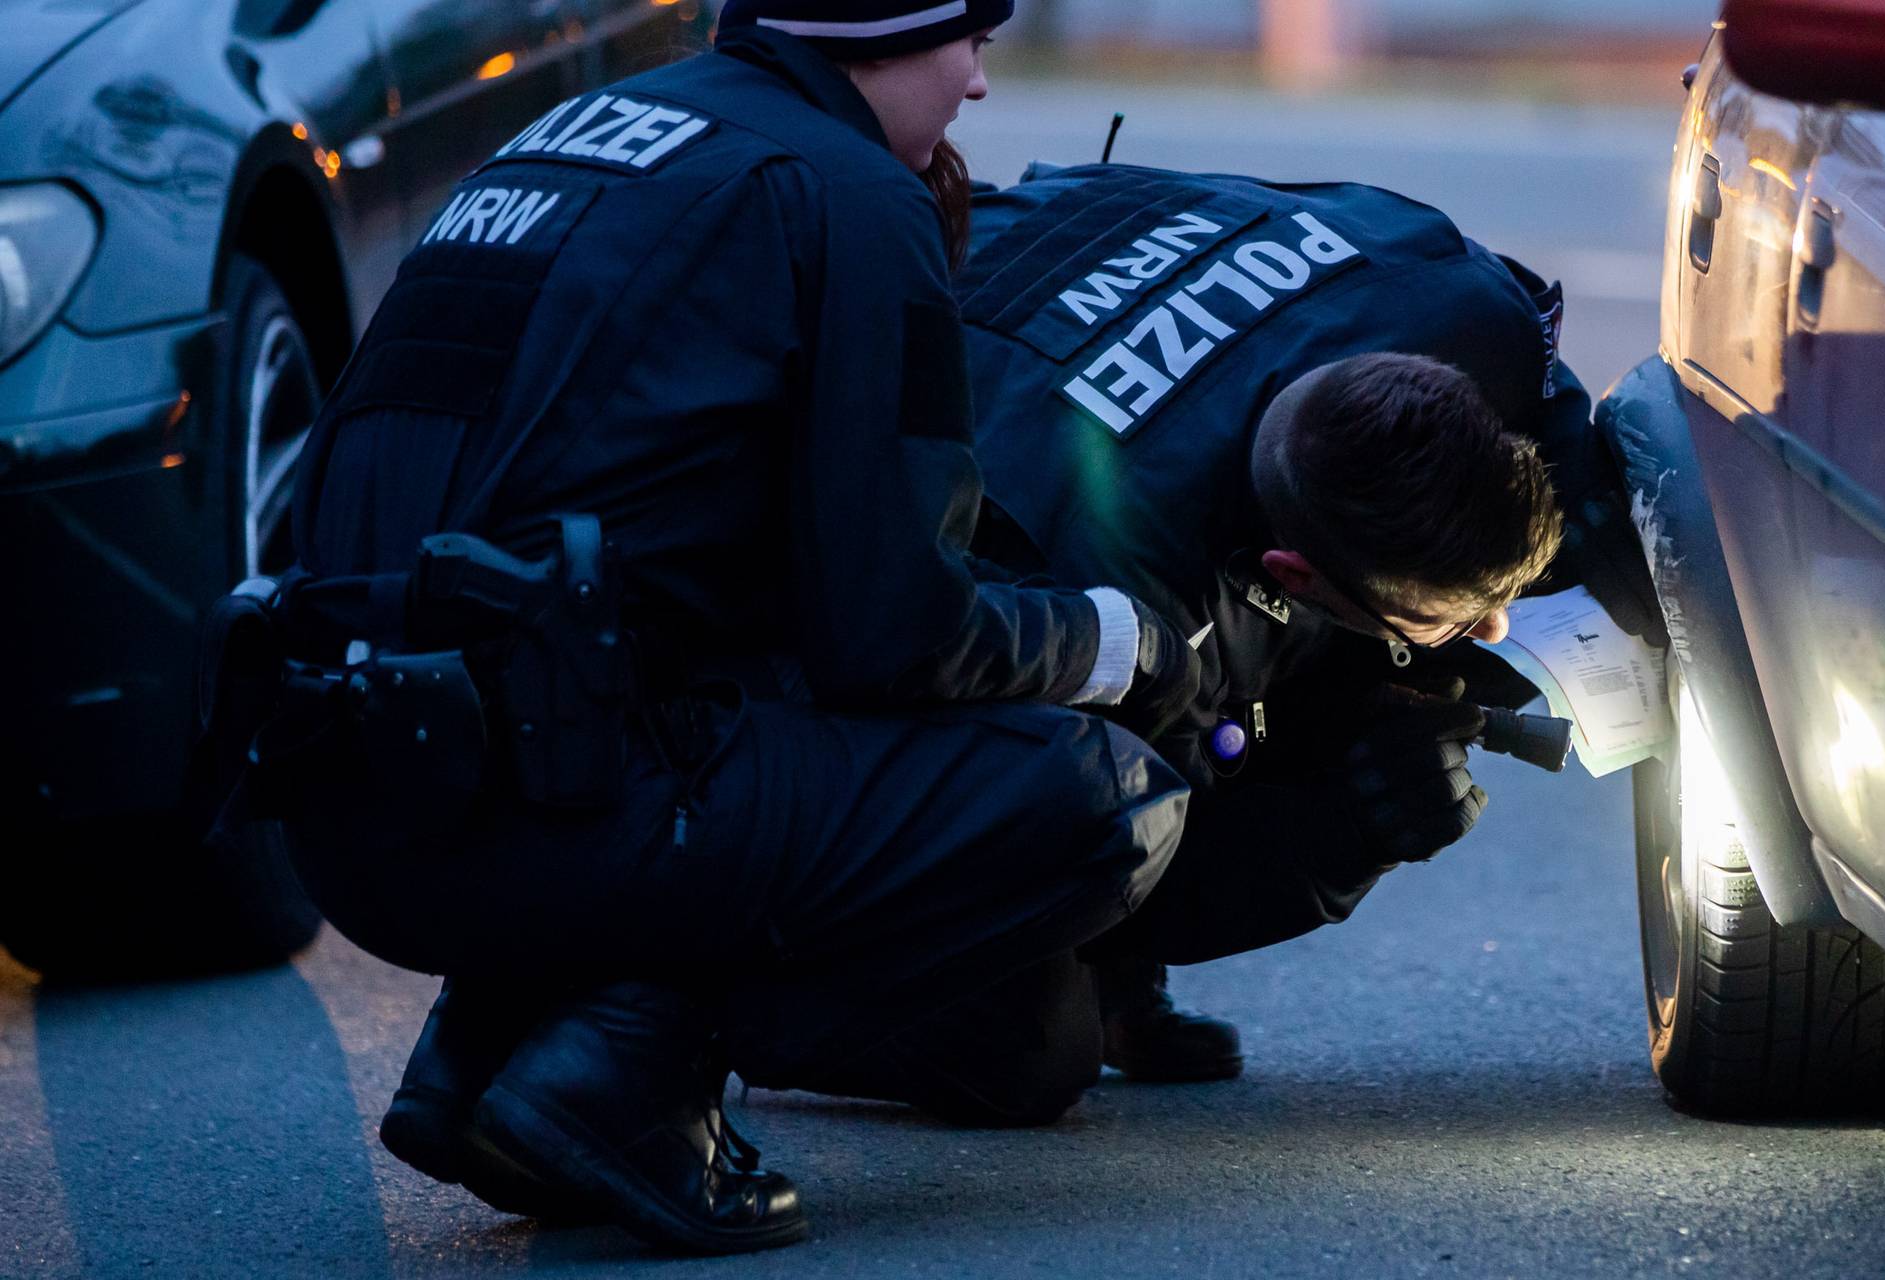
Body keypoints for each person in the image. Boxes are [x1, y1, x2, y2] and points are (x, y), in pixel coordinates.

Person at [236, 0, 1205, 1254]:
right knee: (1103, 798)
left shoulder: (578, 133)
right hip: (539, 814)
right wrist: (1117, 640)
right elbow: (895, 631)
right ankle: (622, 1066)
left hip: (354, 813)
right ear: (882, 31)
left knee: (695, 676)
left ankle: (491, 1045)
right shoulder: (848, 189)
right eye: (967, 35)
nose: (974, 82)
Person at [720, 163, 1654, 1124]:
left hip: (1090, 290)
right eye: (1458, 611)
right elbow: (1137, 862)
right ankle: (706, 1009)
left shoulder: (1465, 304)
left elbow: (1553, 448)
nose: (1495, 626)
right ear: (1288, 573)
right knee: (1029, 1052)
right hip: (893, 542)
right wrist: (1348, 835)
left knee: (1383, 662)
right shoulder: (1110, 583)